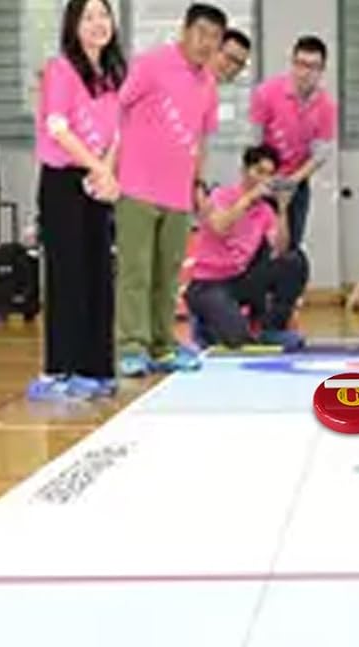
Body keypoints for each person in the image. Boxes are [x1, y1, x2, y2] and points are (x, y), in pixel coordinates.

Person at [114, 2, 224, 377]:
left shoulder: (208, 83)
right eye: (201, 33)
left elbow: (202, 138)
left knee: (168, 275)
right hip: (137, 187)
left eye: (214, 37)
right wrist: (111, 167)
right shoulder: (151, 64)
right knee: (136, 272)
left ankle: (162, 345)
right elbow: (117, 108)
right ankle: (131, 346)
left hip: (178, 194)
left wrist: (197, 183)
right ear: (185, 31)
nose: (206, 43)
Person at [32, 0, 125, 402]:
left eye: (103, 15)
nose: (98, 23)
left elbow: (120, 131)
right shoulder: (60, 69)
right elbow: (58, 127)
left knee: (99, 274)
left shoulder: (114, 75)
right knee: (67, 276)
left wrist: (108, 172)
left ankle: (96, 368)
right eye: (88, 17)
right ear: (73, 25)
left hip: (97, 181)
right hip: (63, 181)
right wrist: (98, 168)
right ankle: (59, 371)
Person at [186, 145, 307, 349]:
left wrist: (283, 209)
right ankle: (207, 327)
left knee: (293, 261)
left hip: (240, 280)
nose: (264, 179)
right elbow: (219, 226)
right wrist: (249, 198)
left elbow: (281, 248)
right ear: (244, 171)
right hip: (208, 284)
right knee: (239, 341)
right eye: (259, 171)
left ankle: (272, 329)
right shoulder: (221, 195)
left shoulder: (265, 211)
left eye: (269, 174)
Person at [249, 35, 337, 253]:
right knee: (258, 245)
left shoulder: (326, 106)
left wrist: (292, 181)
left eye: (313, 66)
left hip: (297, 180)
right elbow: (255, 141)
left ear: (322, 69)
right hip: (263, 177)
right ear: (293, 63)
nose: (305, 72)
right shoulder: (266, 92)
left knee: (290, 246)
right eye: (301, 64)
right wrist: (264, 178)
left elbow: (320, 153)